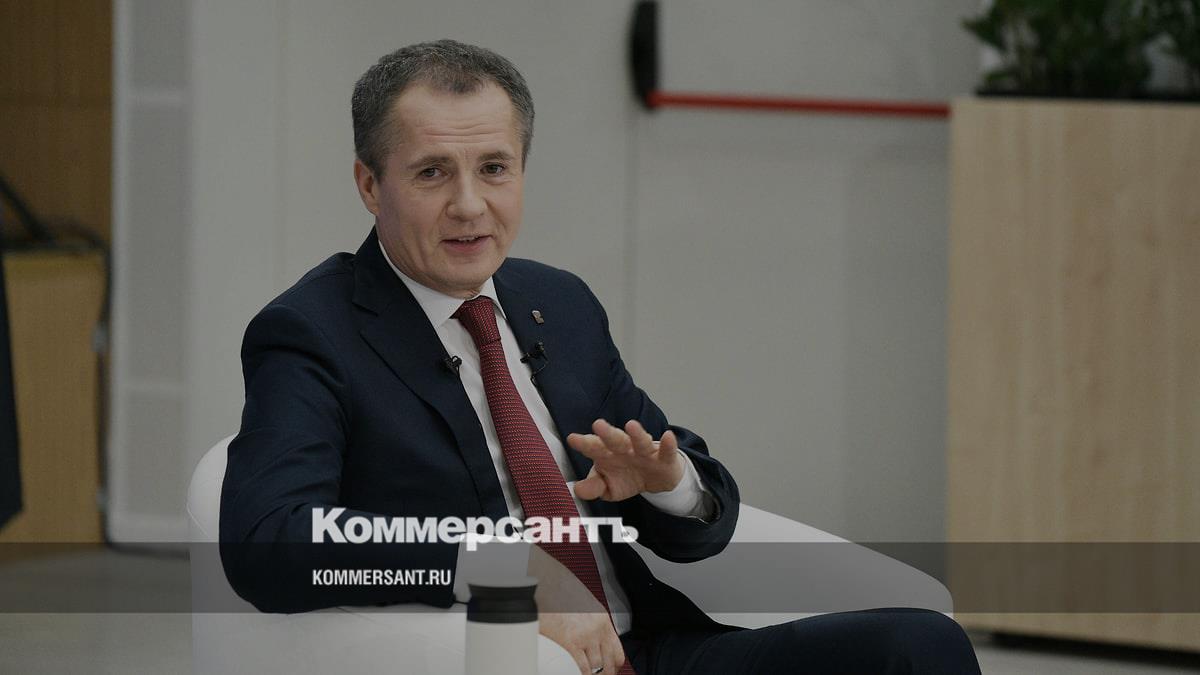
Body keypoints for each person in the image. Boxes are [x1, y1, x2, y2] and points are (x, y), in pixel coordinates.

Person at [220, 39, 980, 674]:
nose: (470, 205)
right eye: (431, 172)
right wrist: (499, 569)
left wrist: (668, 485)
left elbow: (693, 513)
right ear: (369, 184)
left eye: (494, 168)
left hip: (650, 649)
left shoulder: (559, 302)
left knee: (919, 646)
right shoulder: (312, 331)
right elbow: (269, 541)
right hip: (506, 658)